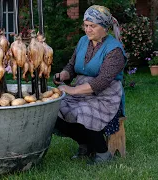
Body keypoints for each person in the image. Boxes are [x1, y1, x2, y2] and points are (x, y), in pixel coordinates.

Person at [53, 5, 126, 164]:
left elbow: (101, 82)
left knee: (84, 112)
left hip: (106, 96)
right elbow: (72, 66)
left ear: (105, 27)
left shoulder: (115, 50)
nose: (88, 30)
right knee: (54, 110)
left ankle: (102, 152)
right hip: (81, 92)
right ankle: (85, 144)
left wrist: (71, 90)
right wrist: (62, 75)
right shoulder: (83, 41)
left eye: (92, 26)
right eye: (85, 25)